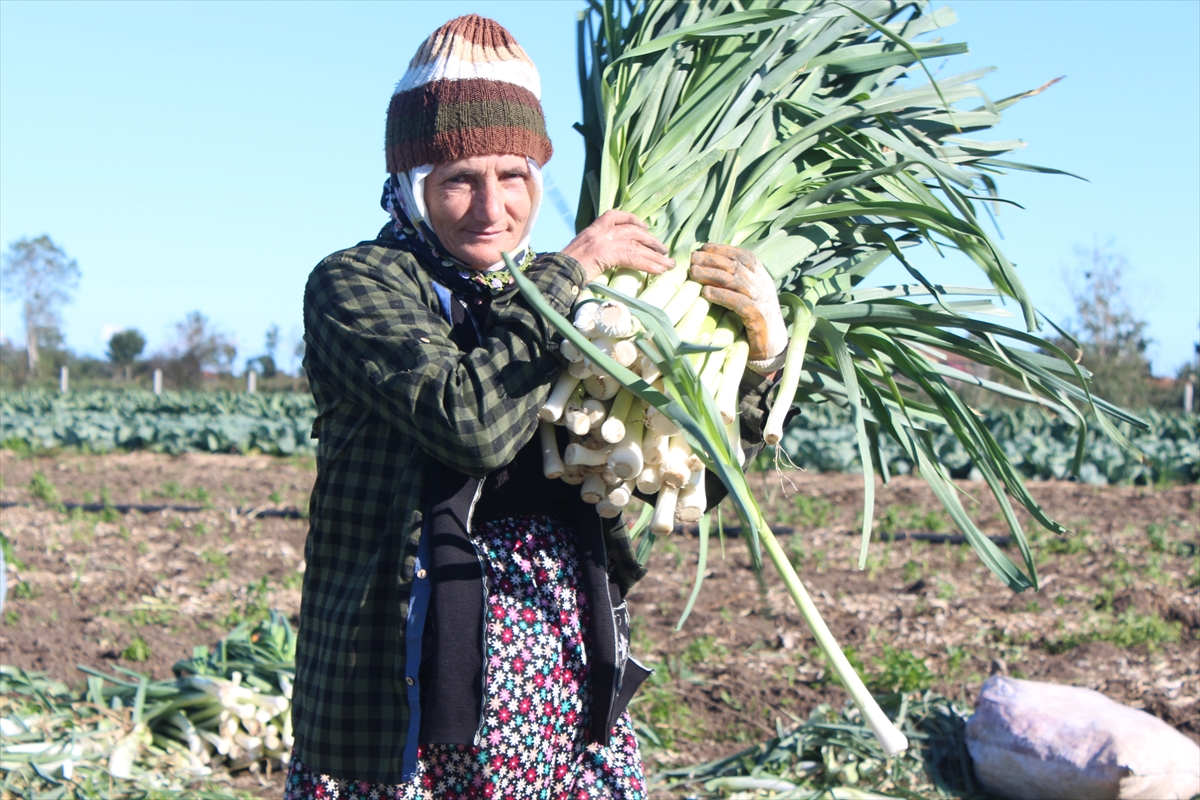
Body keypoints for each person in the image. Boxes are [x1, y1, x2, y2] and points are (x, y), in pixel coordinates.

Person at [286, 14, 788, 800]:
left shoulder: (579, 305)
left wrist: (759, 359)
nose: (491, 207)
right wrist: (566, 276)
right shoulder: (356, 284)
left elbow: (680, 486)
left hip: (567, 692)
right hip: (406, 706)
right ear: (413, 183)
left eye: (513, 176)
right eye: (459, 179)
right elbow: (469, 422)